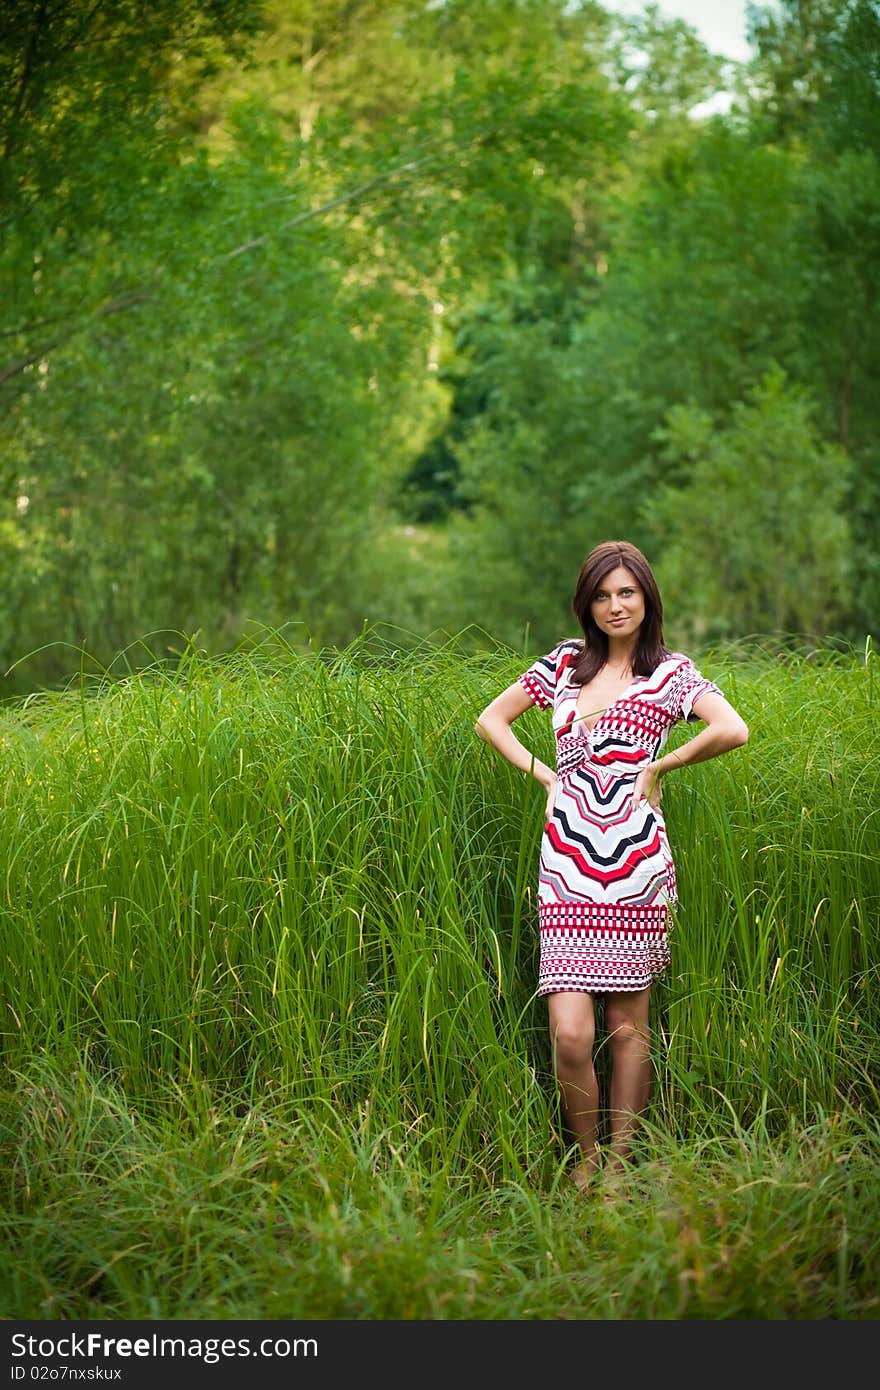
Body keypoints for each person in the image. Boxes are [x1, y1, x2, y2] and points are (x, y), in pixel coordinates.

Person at [474, 540, 749, 1196]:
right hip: (566, 863)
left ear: (646, 597)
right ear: (586, 603)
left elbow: (732, 728)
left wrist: (662, 764)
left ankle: (619, 1163)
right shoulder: (564, 665)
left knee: (628, 1026)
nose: (614, 605)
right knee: (570, 1030)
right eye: (601, 594)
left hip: (637, 866)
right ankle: (587, 1153)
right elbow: (492, 720)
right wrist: (545, 776)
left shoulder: (670, 674)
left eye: (626, 592)